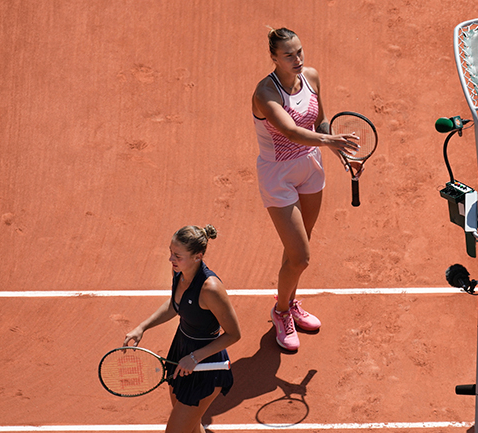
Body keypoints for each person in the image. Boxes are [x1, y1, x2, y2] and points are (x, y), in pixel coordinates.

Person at [251, 27, 359, 351]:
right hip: (278, 176)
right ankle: (280, 311)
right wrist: (330, 140)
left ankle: (290, 301)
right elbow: (292, 131)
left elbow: (320, 122)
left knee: (299, 245)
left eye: (299, 52)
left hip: (310, 169)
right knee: (300, 257)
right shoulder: (264, 93)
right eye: (288, 55)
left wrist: (344, 156)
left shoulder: (311, 76)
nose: (297, 59)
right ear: (274, 58)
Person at [123, 225, 241, 433]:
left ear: (198, 256)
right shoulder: (179, 271)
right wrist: (143, 327)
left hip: (206, 363)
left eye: (177, 255)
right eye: (170, 252)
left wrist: (195, 358)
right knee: (191, 426)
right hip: (181, 351)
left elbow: (234, 334)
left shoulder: (210, 289)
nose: (171, 259)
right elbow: (176, 305)